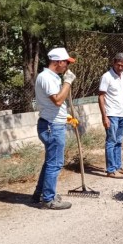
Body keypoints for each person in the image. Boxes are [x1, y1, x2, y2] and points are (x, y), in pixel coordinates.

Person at [32, 47, 77, 210]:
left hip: (52, 122)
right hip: (52, 126)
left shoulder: (50, 77)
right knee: (55, 164)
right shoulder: (47, 77)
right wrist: (68, 82)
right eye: (65, 62)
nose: (67, 66)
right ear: (58, 62)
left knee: (50, 162)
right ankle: (49, 199)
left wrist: (66, 117)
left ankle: (39, 193)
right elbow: (57, 100)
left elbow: (55, 104)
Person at [98, 53, 123, 179]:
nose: (121, 68)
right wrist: (104, 116)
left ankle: (118, 167)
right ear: (114, 62)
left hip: (122, 114)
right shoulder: (106, 77)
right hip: (111, 114)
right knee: (111, 141)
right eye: (119, 65)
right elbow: (101, 96)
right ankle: (111, 170)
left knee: (119, 141)